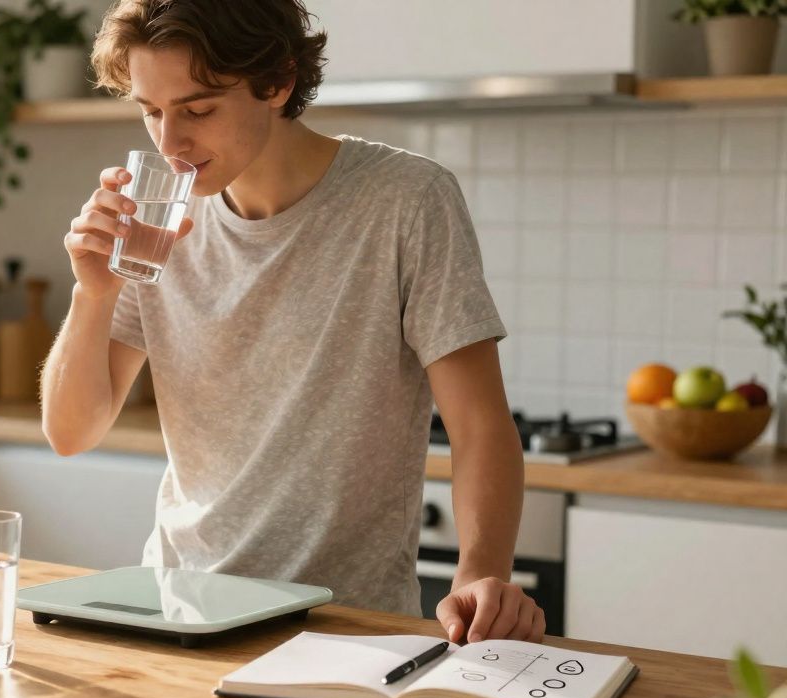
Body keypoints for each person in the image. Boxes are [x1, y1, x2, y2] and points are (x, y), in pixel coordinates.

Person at [40, 0, 543, 644]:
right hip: (180, 607)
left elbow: (480, 425)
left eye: (197, 110)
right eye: (150, 112)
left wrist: (479, 574)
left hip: (347, 624)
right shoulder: (157, 222)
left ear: (277, 83)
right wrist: (93, 293)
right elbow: (71, 432)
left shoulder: (406, 200)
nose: (169, 143)